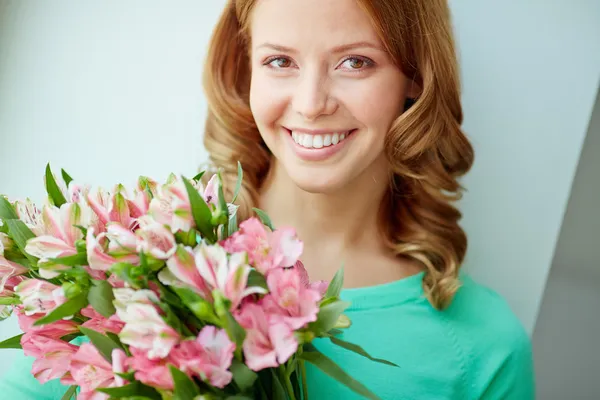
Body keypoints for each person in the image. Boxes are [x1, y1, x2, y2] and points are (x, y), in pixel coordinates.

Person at [0, 0, 535, 399]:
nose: (311, 104)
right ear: (245, 67)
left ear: (415, 77)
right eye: (280, 61)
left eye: (356, 63)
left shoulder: (483, 347)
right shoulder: (132, 257)